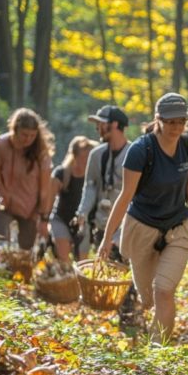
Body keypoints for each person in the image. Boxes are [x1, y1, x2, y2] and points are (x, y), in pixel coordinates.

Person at [99, 93, 188, 343]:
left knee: (164, 289)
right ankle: (145, 327)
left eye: (181, 122)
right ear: (158, 120)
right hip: (142, 227)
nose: (176, 127)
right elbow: (125, 197)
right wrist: (106, 239)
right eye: (170, 122)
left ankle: (161, 348)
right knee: (147, 297)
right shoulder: (140, 150)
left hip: (176, 228)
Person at [0, 108, 55, 250]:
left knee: (26, 248)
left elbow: (44, 190)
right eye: (24, 135)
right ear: (15, 129)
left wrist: (43, 218)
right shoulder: (1, 143)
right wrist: (2, 188)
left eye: (32, 135)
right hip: (2, 198)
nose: (28, 139)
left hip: (28, 206)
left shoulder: (41, 154)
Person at [74, 105, 131, 261]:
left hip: (125, 227)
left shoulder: (134, 154)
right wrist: (83, 212)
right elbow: (90, 186)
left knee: (125, 273)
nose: (97, 128)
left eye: (101, 123)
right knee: (106, 272)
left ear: (113, 124)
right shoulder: (96, 155)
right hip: (101, 224)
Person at [47, 136, 98, 262]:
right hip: (61, 219)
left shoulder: (93, 177)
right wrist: (43, 221)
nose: (87, 161)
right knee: (64, 254)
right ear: (74, 156)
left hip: (83, 223)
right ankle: (64, 278)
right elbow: (49, 199)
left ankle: (77, 281)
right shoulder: (61, 173)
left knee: (82, 261)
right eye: (84, 157)